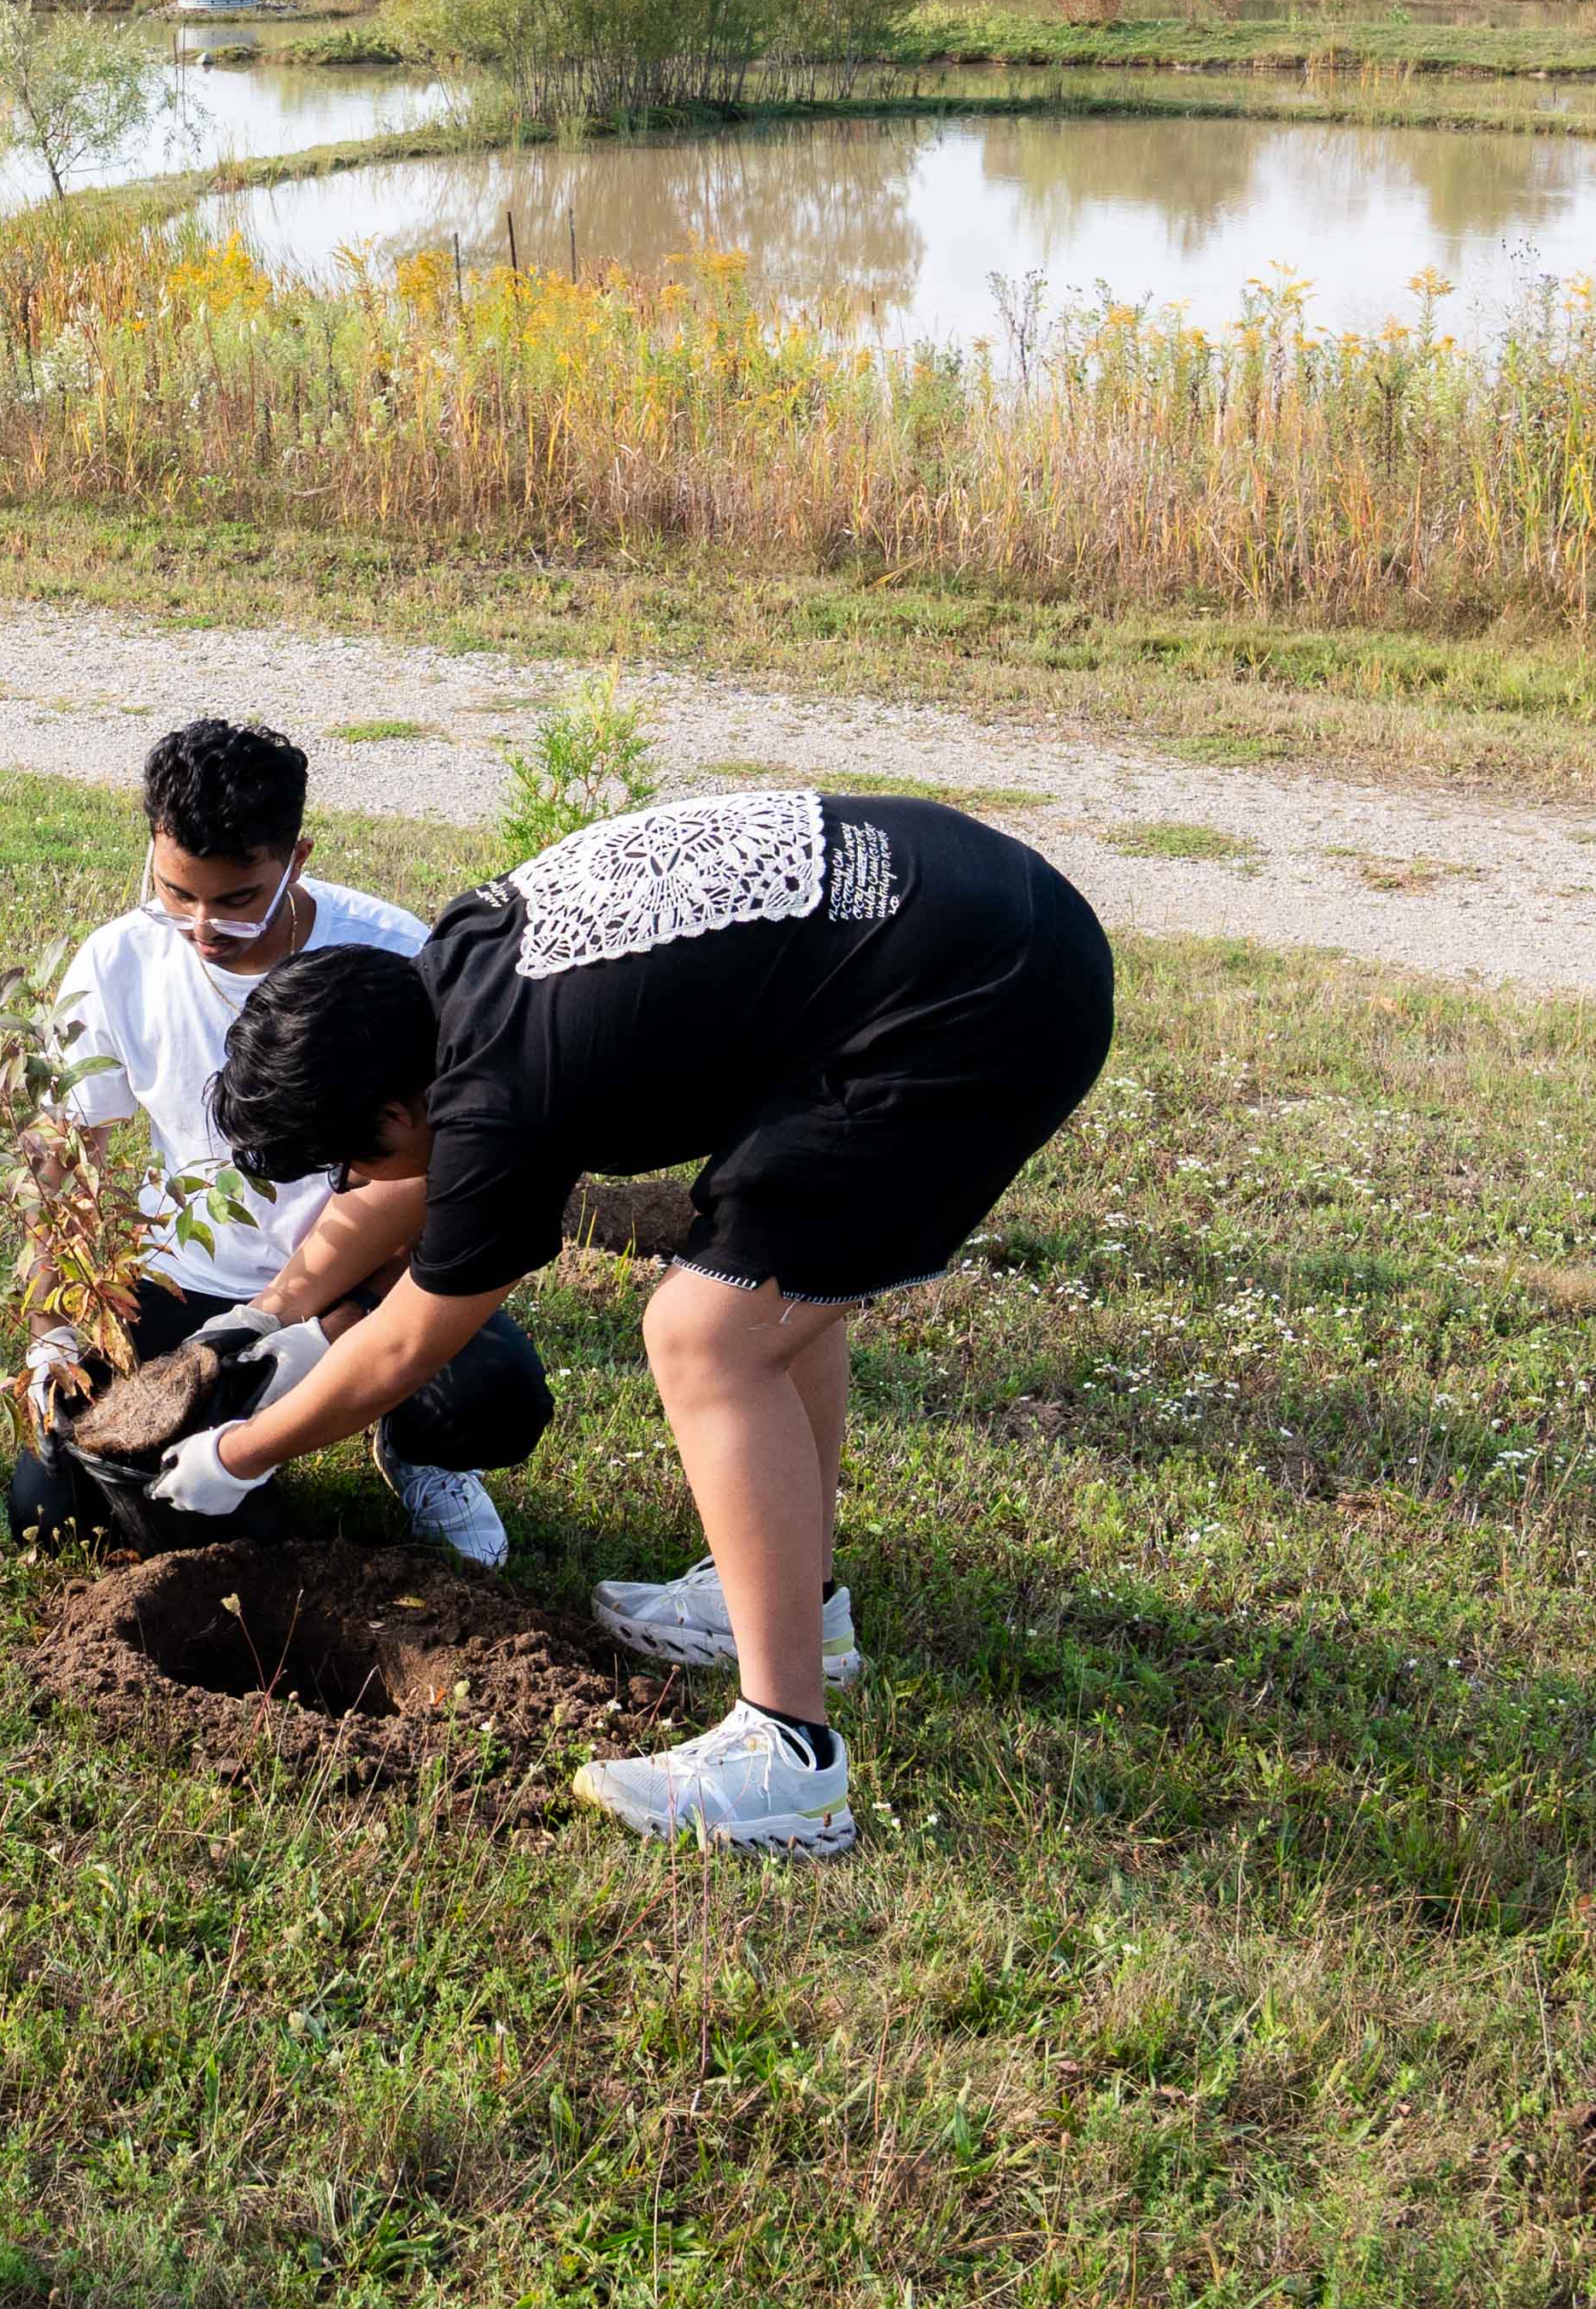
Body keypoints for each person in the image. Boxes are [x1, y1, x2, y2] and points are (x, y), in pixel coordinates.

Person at [173, 791, 1117, 1858]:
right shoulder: (456, 975)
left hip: (979, 1001)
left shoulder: (499, 1088)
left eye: (346, 1163)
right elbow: (421, 1186)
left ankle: (787, 1760)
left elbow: (407, 1342)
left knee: (705, 1331)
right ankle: (794, 1597)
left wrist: (238, 1452)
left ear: (398, 1113)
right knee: (775, 1272)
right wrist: (277, 1312)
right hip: (976, 910)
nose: (350, 1186)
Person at [7, 718, 548, 1566]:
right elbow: (69, 1153)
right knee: (49, 1505)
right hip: (180, 1276)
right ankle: (242, 1454)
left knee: (488, 1390)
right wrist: (55, 1325)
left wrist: (295, 1321)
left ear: (296, 858)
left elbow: (411, 1171)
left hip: (365, 1274)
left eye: (233, 899)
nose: (200, 928)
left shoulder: (392, 956)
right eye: (176, 892)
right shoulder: (118, 962)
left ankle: (419, 1452)